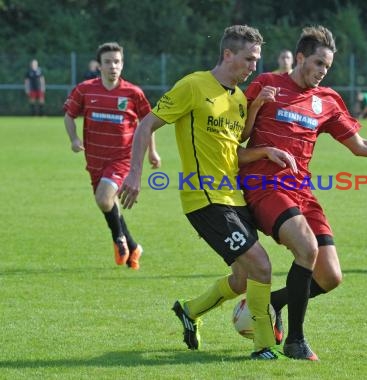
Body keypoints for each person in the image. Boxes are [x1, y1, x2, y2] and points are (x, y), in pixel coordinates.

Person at [238, 25, 367, 361]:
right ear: (300, 57)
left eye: (326, 67)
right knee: (306, 248)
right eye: (317, 63)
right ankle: (295, 342)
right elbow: (239, 137)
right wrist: (257, 106)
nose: (321, 71)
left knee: (330, 276)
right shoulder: (267, 85)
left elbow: (359, 146)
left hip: (301, 189)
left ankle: (272, 302)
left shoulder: (327, 101)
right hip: (264, 186)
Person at [118, 25, 293, 360]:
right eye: (248, 58)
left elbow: (234, 149)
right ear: (228, 54)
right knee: (262, 266)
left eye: (256, 59)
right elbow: (145, 125)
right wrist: (135, 174)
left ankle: (190, 310)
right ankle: (263, 346)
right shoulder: (193, 85)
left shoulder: (240, 99)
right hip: (205, 199)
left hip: (234, 197)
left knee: (243, 278)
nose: (253, 66)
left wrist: (264, 147)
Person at [63, 42, 161, 270]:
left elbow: (148, 123)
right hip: (95, 160)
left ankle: (119, 239)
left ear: (122, 64)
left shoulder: (133, 93)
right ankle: (133, 246)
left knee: (103, 199)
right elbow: (69, 115)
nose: (113, 66)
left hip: (122, 159)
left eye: (117, 61)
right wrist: (74, 139)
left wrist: (152, 151)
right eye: (107, 62)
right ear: (99, 65)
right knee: (107, 202)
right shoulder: (85, 90)